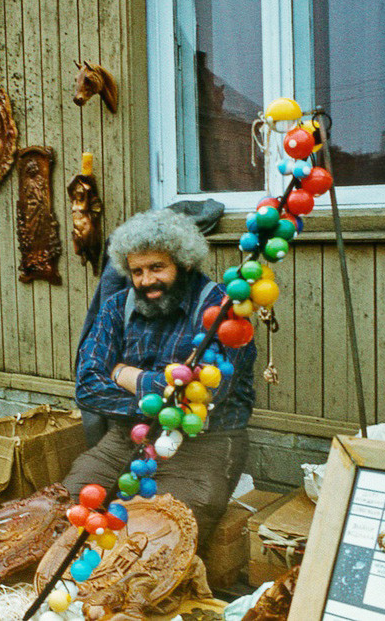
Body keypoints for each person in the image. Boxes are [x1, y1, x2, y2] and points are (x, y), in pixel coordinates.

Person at [64, 209, 257, 551]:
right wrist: (158, 401)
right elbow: (88, 386)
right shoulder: (116, 307)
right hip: (126, 438)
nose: (146, 281)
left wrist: (124, 373)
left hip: (202, 445)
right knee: (66, 510)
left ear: (183, 263)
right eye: (136, 271)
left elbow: (208, 392)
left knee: (160, 537)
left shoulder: (221, 311)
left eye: (157, 268)